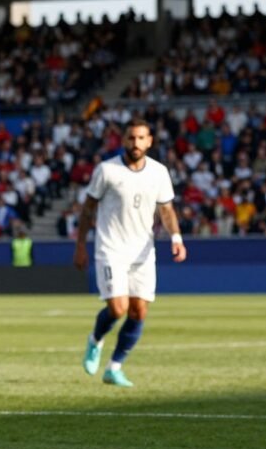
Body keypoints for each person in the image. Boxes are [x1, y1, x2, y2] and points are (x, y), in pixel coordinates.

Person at [74, 118, 188, 387]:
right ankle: (95, 340)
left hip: (143, 251)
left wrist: (176, 237)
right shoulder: (107, 171)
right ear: (123, 140)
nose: (135, 143)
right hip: (111, 247)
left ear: (149, 141)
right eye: (130, 138)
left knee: (139, 312)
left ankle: (114, 368)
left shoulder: (159, 172)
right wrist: (80, 245)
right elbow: (88, 208)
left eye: (140, 138)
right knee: (118, 308)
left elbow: (167, 209)